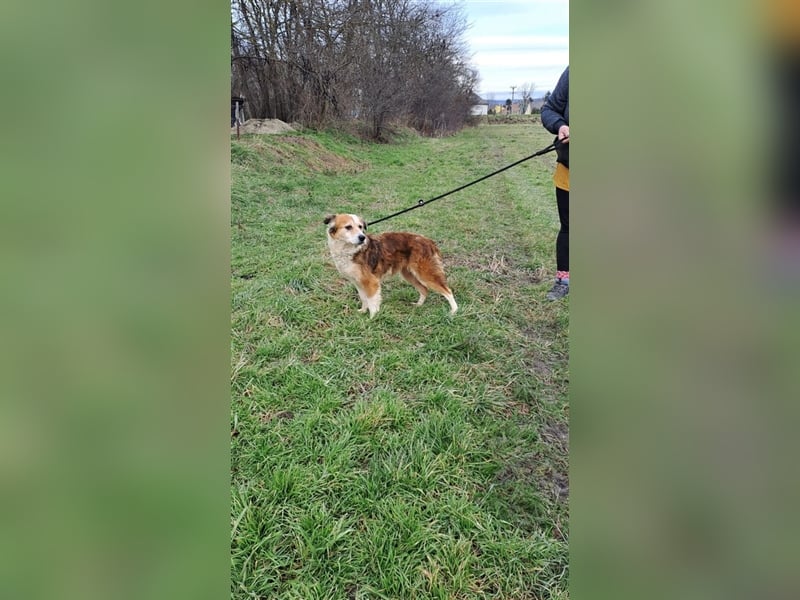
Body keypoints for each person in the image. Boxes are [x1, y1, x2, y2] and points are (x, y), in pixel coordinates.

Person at [540, 66, 570, 300]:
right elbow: (549, 110)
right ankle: (563, 280)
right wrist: (561, 126)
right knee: (569, 227)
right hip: (570, 168)